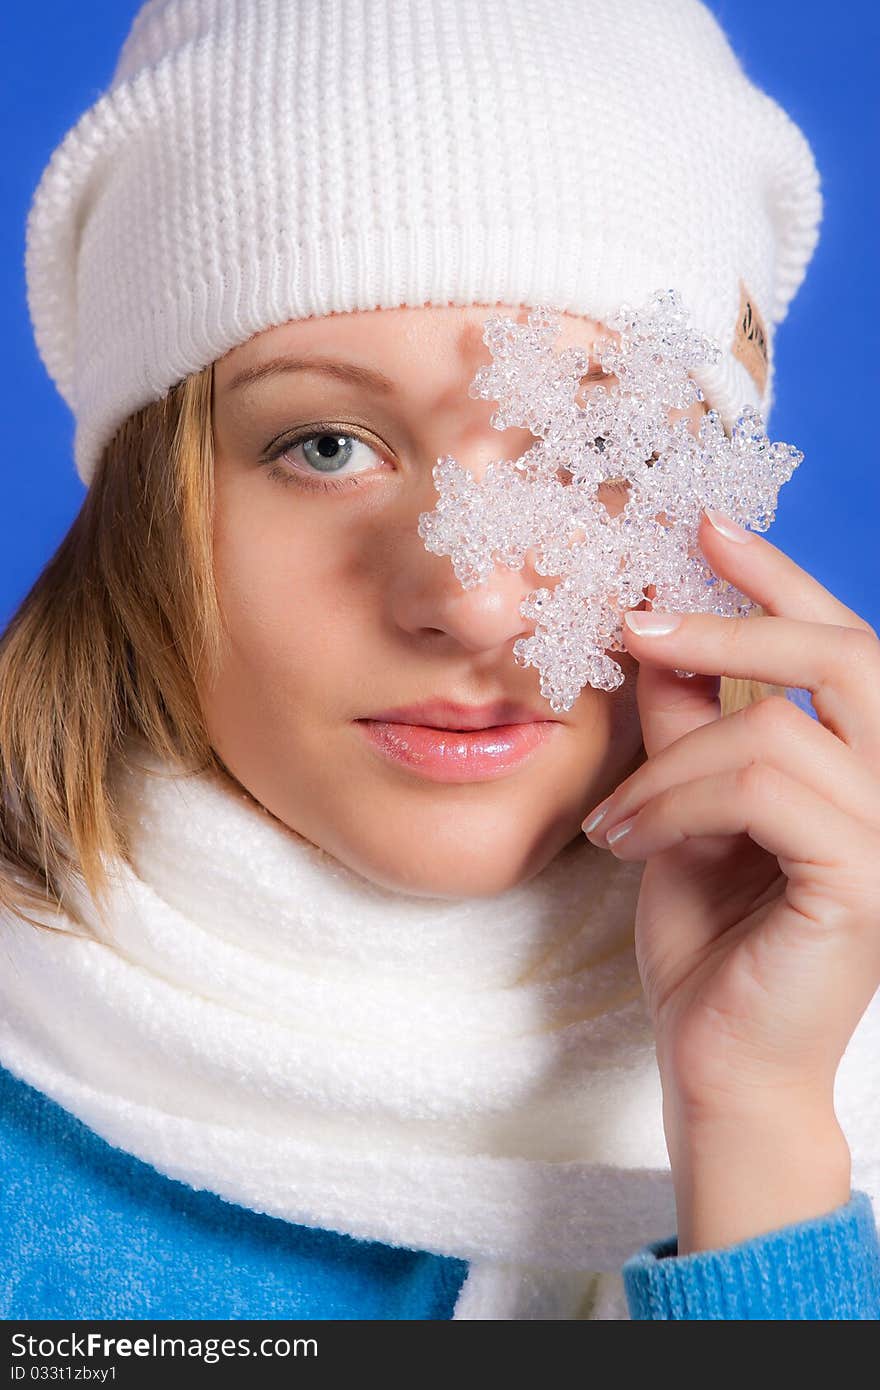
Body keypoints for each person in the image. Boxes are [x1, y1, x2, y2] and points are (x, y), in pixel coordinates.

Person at [1, 0, 878, 1321]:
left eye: (584, 454)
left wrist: (754, 1129)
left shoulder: (832, 1073)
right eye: (325, 446)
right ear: (147, 514)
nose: (471, 607)